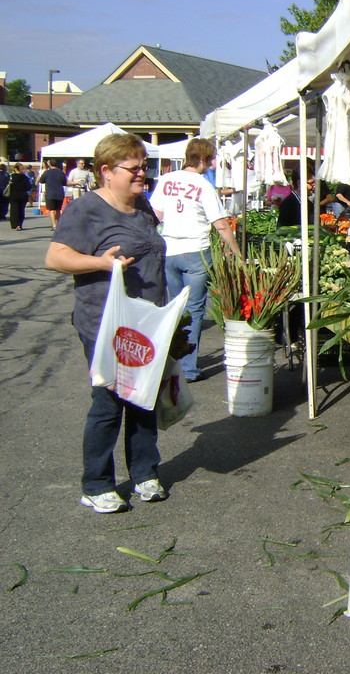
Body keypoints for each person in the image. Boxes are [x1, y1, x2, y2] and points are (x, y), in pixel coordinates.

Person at [44, 133, 169, 513]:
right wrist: (102, 263)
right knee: (109, 401)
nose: (142, 174)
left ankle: (145, 473)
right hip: (105, 323)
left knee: (144, 398)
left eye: (143, 166)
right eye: (134, 168)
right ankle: (96, 483)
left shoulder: (141, 205)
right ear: (105, 171)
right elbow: (56, 257)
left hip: (146, 320)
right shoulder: (86, 209)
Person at [149, 138, 241, 383]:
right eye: (210, 159)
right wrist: (235, 250)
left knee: (175, 308)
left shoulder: (166, 181)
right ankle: (188, 368)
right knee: (194, 309)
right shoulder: (202, 185)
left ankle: (172, 361)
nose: (211, 164)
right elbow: (220, 223)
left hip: (169, 250)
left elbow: (154, 216)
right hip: (196, 251)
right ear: (201, 159)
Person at [38, 158, 68, 230]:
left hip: (50, 193)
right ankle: (58, 225)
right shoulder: (61, 173)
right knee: (58, 209)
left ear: (50, 164)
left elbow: (41, 181)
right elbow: (64, 182)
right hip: (59, 193)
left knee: (51, 210)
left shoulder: (47, 172)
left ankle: (54, 225)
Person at [7, 162, 33, 230]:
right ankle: (20, 224)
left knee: (14, 210)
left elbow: (9, 186)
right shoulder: (25, 177)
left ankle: (15, 225)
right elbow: (29, 187)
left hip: (14, 195)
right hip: (23, 195)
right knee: (21, 210)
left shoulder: (12, 177)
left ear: (15, 169)